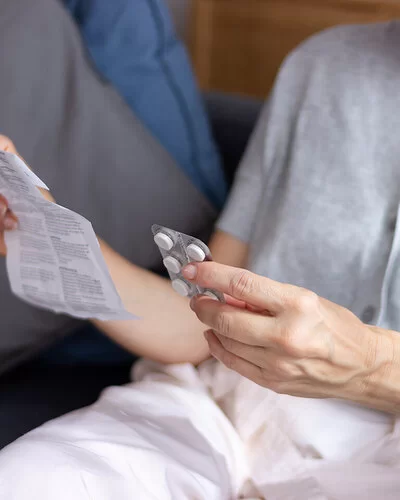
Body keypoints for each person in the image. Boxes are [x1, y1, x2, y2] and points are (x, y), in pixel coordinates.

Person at [1, 21, 400, 499]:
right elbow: (199, 323)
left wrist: (372, 366)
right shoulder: (322, 65)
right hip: (216, 408)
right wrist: (43, 229)